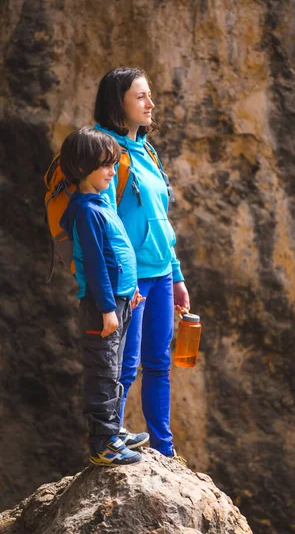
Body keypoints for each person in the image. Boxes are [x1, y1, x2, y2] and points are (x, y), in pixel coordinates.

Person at [93, 67, 190, 458]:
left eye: (149, 95)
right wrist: (121, 280)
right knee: (126, 365)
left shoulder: (147, 151)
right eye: (141, 97)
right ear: (119, 103)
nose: (151, 104)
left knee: (159, 363)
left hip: (162, 274)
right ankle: (110, 440)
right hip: (131, 280)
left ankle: (164, 451)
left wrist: (178, 274)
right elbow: (102, 224)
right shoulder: (105, 152)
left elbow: (161, 220)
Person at [59, 127, 149, 466]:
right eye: (106, 166)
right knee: (102, 373)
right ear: (83, 169)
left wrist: (131, 290)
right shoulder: (86, 211)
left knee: (114, 369)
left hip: (120, 302)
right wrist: (109, 309)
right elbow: (96, 265)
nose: (113, 171)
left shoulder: (101, 203)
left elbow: (119, 252)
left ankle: (113, 431)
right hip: (102, 308)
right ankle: (103, 444)